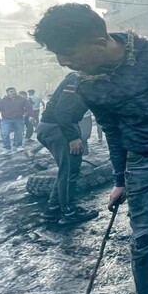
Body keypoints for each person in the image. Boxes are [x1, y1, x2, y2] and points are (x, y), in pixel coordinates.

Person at [33, 3, 148, 294]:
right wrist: (120, 180)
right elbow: (112, 131)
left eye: (68, 53)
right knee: (142, 239)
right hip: (142, 163)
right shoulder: (87, 85)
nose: (62, 61)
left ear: (99, 42)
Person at [37, 73, 98, 224]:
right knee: (70, 171)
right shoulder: (81, 79)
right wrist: (72, 137)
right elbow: (61, 112)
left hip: (49, 127)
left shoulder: (79, 78)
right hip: (59, 128)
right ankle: (69, 211)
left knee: (65, 170)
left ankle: (53, 208)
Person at [0, 87, 33, 156]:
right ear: (7, 93)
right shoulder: (3, 100)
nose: (13, 92)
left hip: (19, 118)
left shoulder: (22, 99)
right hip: (6, 119)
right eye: (11, 91)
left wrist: (31, 116)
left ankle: (18, 146)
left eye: (14, 91)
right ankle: (7, 148)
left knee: (19, 133)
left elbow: (29, 107)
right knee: (5, 133)